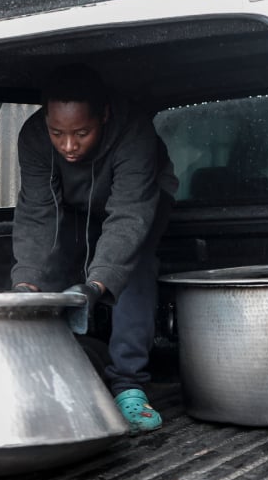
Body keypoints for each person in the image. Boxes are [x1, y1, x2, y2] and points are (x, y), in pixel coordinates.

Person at [10, 64, 177, 433]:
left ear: (104, 115)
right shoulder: (34, 139)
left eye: (81, 133)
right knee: (47, 267)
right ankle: (48, 377)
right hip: (76, 205)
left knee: (134, 265)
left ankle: (128, 385)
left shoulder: (135, 134)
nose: (68, 146)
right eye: (58, 133)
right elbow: (38, 216)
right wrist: (27, 285)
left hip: (142, 202)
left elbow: (128, 218)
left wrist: (96, 286)